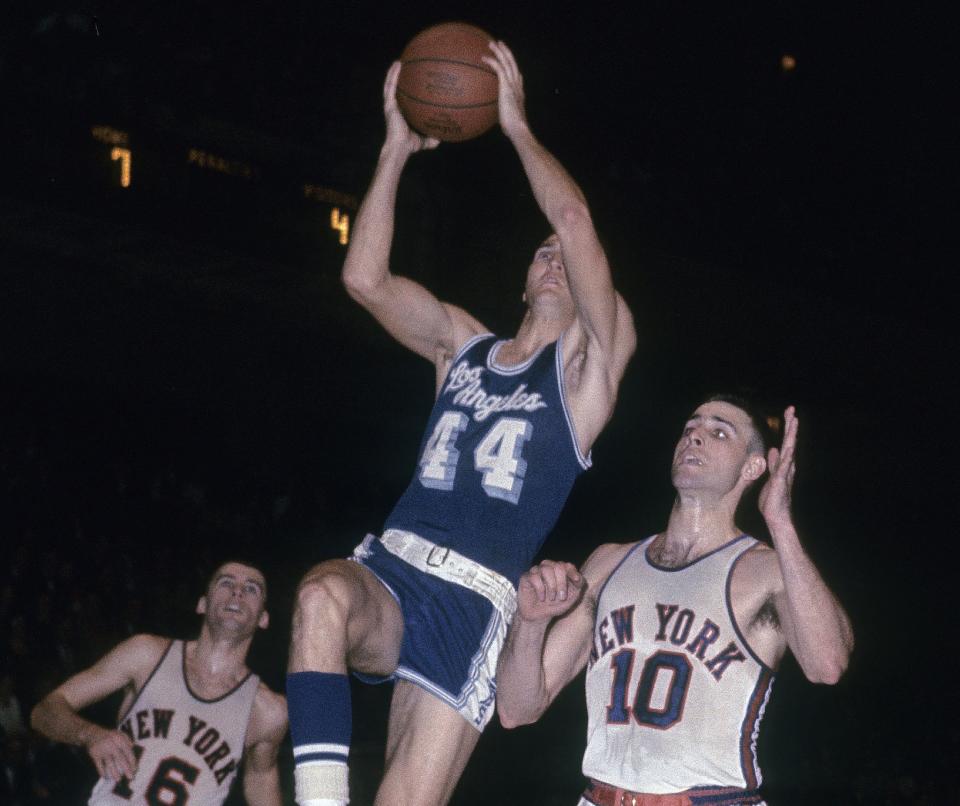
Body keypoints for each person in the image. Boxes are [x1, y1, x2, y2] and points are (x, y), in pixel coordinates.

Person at [286, 40, 636, 806]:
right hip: (394, 565)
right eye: (539, 252)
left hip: (473, 604)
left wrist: (514, 126)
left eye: (564, 258)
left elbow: (573, 216)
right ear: (520, 276)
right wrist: (395, 150)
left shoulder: (587, 372)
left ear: (586, 286)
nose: (553, 256)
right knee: (318, 597)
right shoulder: (461, 344)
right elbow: (363, 277)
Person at [496, 398, 855, 806]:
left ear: (753, 468)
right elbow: (515, 709)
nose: (695, 436)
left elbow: (828, 664)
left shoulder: (767, 569)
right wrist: (530, 623)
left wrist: (780, 521)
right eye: (690, 428)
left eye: (720, 432)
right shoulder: (609, 562)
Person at [30, 560, 288, 805]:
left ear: (263, 618)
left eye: (251, 589)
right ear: (202, 604)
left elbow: (260, 779)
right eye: (226, 583)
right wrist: (90, 735)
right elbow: (44, 711)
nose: (238, 592)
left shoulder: (269, 712)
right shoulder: (146, 654)